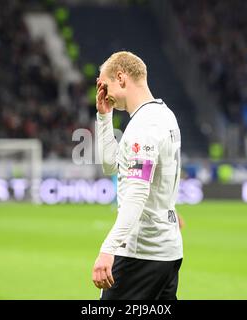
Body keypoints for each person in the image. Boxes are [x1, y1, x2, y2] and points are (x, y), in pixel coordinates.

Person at [92, 51, 183, 300]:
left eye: (104, 84)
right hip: (166, 252)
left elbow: (137, 193)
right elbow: (112, 166)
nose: (103, 92)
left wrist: (108, 249)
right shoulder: (164, 115)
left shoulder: (144, 126)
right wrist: (104, 116)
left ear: (121, 78)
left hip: (139, 254)